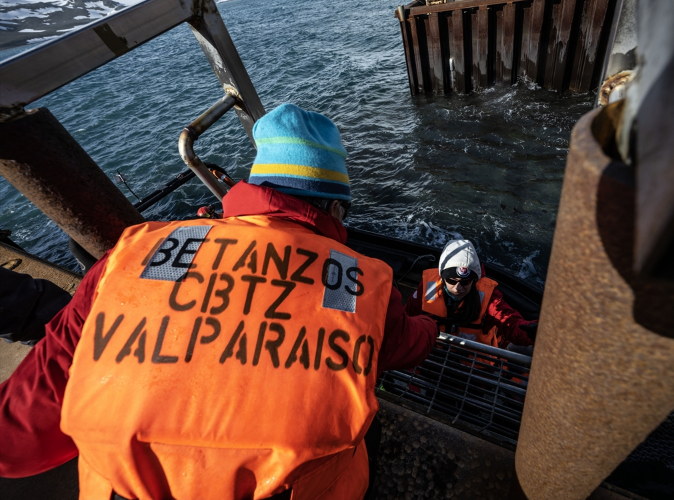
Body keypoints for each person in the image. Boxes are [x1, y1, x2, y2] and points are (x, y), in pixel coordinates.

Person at [0, 103, 439, 500]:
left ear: (258, 183)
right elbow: (412, 344)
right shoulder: (361, 282)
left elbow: (19, 439)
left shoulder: (137, 253)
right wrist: (434, 321)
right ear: (335, 206)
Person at [404, 239, 538, 351]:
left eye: (465, 282)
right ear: (443, 277)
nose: (458, 288)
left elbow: (509, 322)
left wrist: (530, 333)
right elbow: (408, 315)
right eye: (451, 281)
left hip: (472, 366)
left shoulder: (488, 297)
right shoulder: (429, 287)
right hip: (431, 354)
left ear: (474, 281)